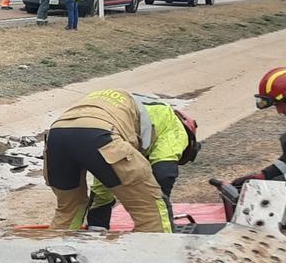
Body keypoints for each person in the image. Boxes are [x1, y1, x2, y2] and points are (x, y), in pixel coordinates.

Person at [45, 88, 200, 233]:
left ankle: (55, 254)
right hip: (103, 134)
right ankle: (159, 258)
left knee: (70, 209)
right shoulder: (172, 122)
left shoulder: (131, 110)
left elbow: (106, 178)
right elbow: (164, 173)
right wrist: (156, 196)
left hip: (57, 136)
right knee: (151, 210)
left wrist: (97, 227)